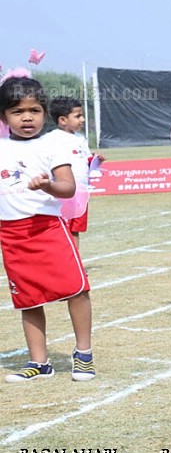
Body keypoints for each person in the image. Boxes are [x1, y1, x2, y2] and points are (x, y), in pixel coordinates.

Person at [0, 74, 95, 383]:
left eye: (34, 110)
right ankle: (39, 363)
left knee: (76, 290)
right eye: (17, 111)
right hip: (12, 235)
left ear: (44, 112)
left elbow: (67, 187)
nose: (27, 117)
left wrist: (49, 185)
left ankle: (83, 354)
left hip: (48, 229)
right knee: (28, 299)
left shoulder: (53, 145)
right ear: (4, 116)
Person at [48, 96, 104, 249]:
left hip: (81, 192)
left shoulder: (80, 139)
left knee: (75, 229)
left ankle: (75, 263)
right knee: (60, 228)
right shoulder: (52, 139)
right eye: (78, 116)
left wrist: (95, 160)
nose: (83, 119)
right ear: (63, 120)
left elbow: (85, 160)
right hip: (63, 192)